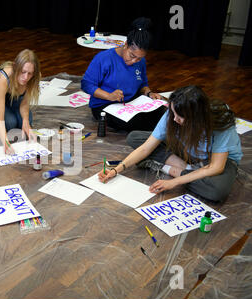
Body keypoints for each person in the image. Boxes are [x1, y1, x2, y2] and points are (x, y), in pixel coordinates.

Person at [98, 85, 243, 202]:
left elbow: (216, 167)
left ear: (196, 117)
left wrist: (176, 180)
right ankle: (188, 168)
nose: (174, 119)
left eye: (180, 117)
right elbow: (145, 148)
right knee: (135, 137)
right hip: (187, 150)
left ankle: (171, 168)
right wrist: (116, 169)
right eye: (173, 113)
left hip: (217, 159)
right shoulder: (174, 113)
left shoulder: (220, 119)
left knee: (217, 191)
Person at [81, 17, 166, 132]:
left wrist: (149, 93)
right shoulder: (104, 58)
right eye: (132, 56)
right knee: (135, 123)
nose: (134, 61)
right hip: (104, 105)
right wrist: (108, 96)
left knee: (164, 113)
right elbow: (86, 84)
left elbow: (142, 84)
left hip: (131, 103)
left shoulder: (140, 62)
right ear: (125, 44)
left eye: (139, 58)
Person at [0, 49, 41, 154]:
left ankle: (10, 107)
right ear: (15, 67)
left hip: (11, 97)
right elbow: (0, 118)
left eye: (30, 73)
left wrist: (26, 122)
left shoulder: (35, 77)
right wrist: (5, 143)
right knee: (10, 123)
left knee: (26, 122)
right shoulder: (4, 78)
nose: (26, 77)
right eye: (23, 72)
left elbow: (24, 104)